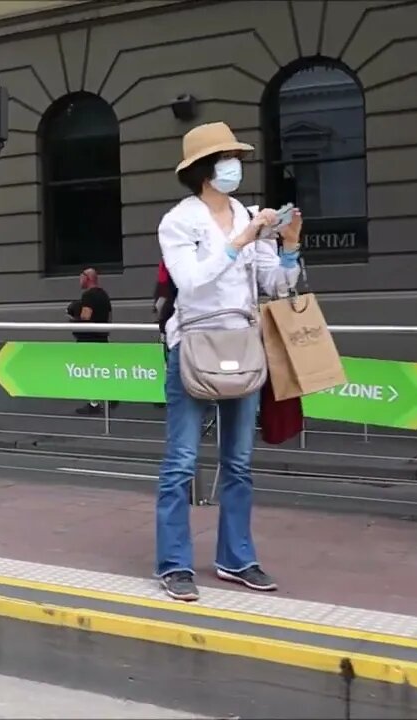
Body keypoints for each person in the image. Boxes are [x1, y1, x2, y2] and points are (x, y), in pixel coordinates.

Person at [155, 121, 303, 602]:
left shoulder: (246, 213)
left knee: (238, 462)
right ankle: (175, 564)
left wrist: (289, 245)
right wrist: (241, 239)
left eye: (236, 157)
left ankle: (237, 558)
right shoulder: (179, 220)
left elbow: (276, 287)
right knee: (181, 462)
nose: (234, 166)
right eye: (226, 158)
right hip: (194, 344)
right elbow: (192, 282)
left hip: (244, 344)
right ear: (203, 168)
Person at [67, 267, 116, 416]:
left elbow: (85, 317)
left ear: (87, 278)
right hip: (102, 337)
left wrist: (74, 317)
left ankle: (94, 404)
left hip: (89, 340)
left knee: (89, 370)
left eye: (80, 277)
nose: (79, 280)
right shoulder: (104, 295)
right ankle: (109, 397)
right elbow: (109, 317)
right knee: (101, 369)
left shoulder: (89, 296)